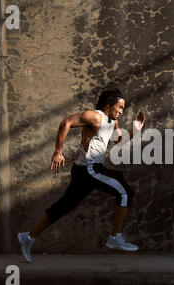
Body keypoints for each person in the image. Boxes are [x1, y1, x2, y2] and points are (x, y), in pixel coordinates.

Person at [18, 88, 145, 262]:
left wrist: (136, 129)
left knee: (64, 206)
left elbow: (117, 140)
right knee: (125, 191)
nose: (122, 111)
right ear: (109, 106)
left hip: (83, 171)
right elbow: (66, 122)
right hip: (90, 169)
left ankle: (29, 237)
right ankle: (115, 237)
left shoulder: (111, 121)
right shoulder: (95, 116)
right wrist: (58, 152)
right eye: (120, 107)